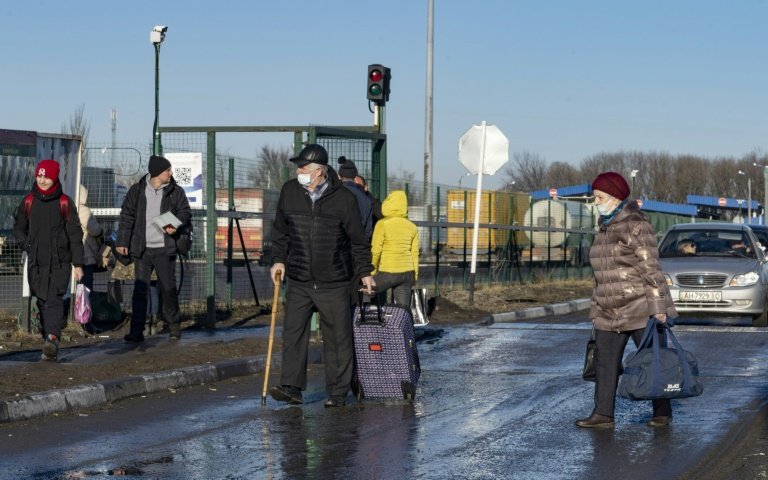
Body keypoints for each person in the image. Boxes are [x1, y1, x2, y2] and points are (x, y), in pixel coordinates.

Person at [269, 144, 375, 408]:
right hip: (300, 278)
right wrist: (278, 260)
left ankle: (337, 392)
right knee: (293, 334)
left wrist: (364, 273)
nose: (299, 171)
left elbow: (358, 242)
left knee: (338, 338)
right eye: (298, 167)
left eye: (303, 167)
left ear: (319, 171)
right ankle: (291, 388)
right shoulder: (290, 192)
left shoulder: (344, 199)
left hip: (334, 282)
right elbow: (280, 231)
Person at [575, 171, 677, 429]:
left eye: (598, 196)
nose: (594, 201)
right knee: (605, 364)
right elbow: (601, 276)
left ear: (613, 197)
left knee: (653, 361)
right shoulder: (604, 227)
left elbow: (651, 269)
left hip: (639, 307)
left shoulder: (636, 225)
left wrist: (658, 309)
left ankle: (662, 411)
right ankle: (603, 414)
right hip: (608, 310)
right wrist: (596, 307)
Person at [13, 159, 84, 361]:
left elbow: (75, 235)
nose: (43, 180)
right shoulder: (28, 202)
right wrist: (26, 245)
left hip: (59, 262)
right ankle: (48, 339)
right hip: (36, 262)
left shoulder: (64, 203)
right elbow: (18, 228)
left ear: (55, 178)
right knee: (43, 300)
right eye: (40, 176)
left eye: (47, 177)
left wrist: (78, 264)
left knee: (53, 299)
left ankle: (52, 338)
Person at [116, 155, 191, 342]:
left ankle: (174, 327)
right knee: (140, 291)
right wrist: (122, 242)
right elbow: (127, 216)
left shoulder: (175, 192)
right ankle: (136, 331)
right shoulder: (137, 191)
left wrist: (177, 223)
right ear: (158, 173)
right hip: (143, 249)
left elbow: (185, 212)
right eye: (168, 170)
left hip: (165, 249)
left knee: (169, 289)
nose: (171, 173)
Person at [369, 190, 419, 306]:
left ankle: (365, 321)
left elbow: (376, 250)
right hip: (407, 273)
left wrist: (372, 271)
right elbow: (414, 253)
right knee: (404, 309)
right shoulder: (412, 226)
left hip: (388, 270)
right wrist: (414, 276)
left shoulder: (382, 224)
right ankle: (405, 324)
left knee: (366, 292)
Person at [338, 156, 373, 240]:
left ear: (340, 175)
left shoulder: (334, 194)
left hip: (339, 243)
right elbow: (368, 230)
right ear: (354, 176)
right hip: (358, 244)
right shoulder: (366, 199)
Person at [78, 185, 104, 291]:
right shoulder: (83, 210)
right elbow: (94, 230)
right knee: (86, 287)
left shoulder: (67, 206)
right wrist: (102, 232)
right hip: (86, 254)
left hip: (73, 255)